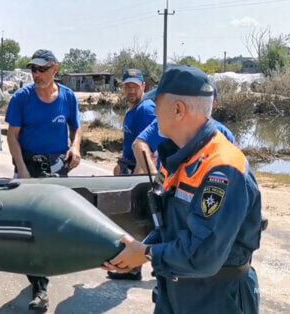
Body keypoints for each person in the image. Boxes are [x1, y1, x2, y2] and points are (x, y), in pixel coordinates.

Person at [103, 66, 262, 314]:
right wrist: (136, 248)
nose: (153, 111)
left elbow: (203, 255)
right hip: (176, 288)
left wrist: (146, 254)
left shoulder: (222, 169)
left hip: (217, 298)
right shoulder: (177, 158)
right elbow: (169, 226)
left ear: (178, 110)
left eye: (157, 103)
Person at [5, 49, 81, 310]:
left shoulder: (68, 97)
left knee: (54, 222)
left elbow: (76, 126)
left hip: (58, 164)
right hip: (29, 164)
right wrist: (23, 171)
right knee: (31, 228)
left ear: (55, 70)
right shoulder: (22, 98)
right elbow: (12, 136)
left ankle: (46, 268)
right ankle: (40, 286)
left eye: (42, 69)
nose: (36, 75)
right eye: (33, 70)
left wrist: (76, 147)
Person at [133, 87, 235, 174]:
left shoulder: (223, 133)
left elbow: (232, 172)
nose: (155, 111)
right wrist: (154, 178)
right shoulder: (164, 123)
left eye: (159, 104)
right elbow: (139, 145)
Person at [113, 69, 156, 176]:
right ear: (122, 88)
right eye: (128, 87)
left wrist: (136, 179)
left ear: (143, 86)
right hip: (127, 165)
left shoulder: (146, 109)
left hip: (138, 170)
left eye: (135, 87)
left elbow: (149, 149)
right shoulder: (131, 110)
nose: (131, 90)